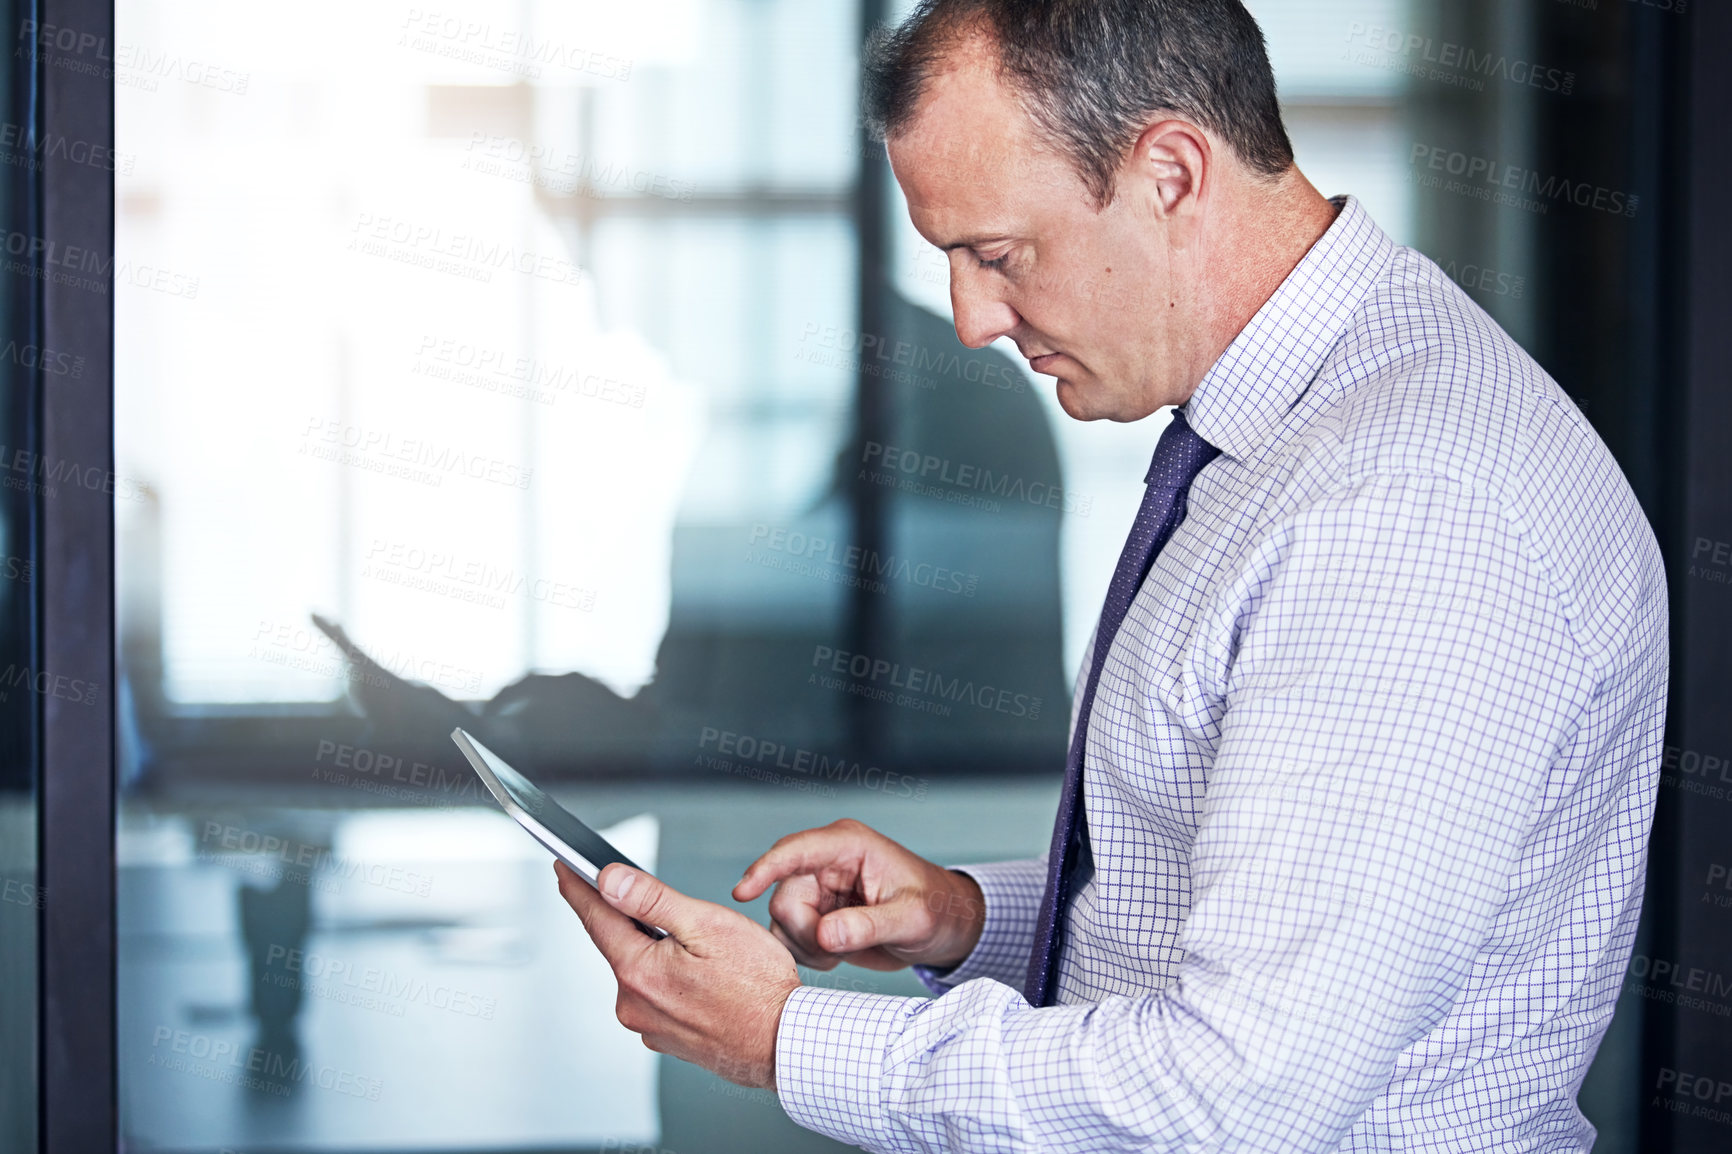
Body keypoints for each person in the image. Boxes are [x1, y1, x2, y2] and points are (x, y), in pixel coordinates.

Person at [554, 1, 1669, 1150]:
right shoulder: (1300, 437)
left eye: (997, 253)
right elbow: (1278, 908)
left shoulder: (1402, 509)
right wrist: (965, 916)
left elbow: (1233, 1094)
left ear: (1173, 173)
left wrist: (783, 1036)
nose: (973, 317)